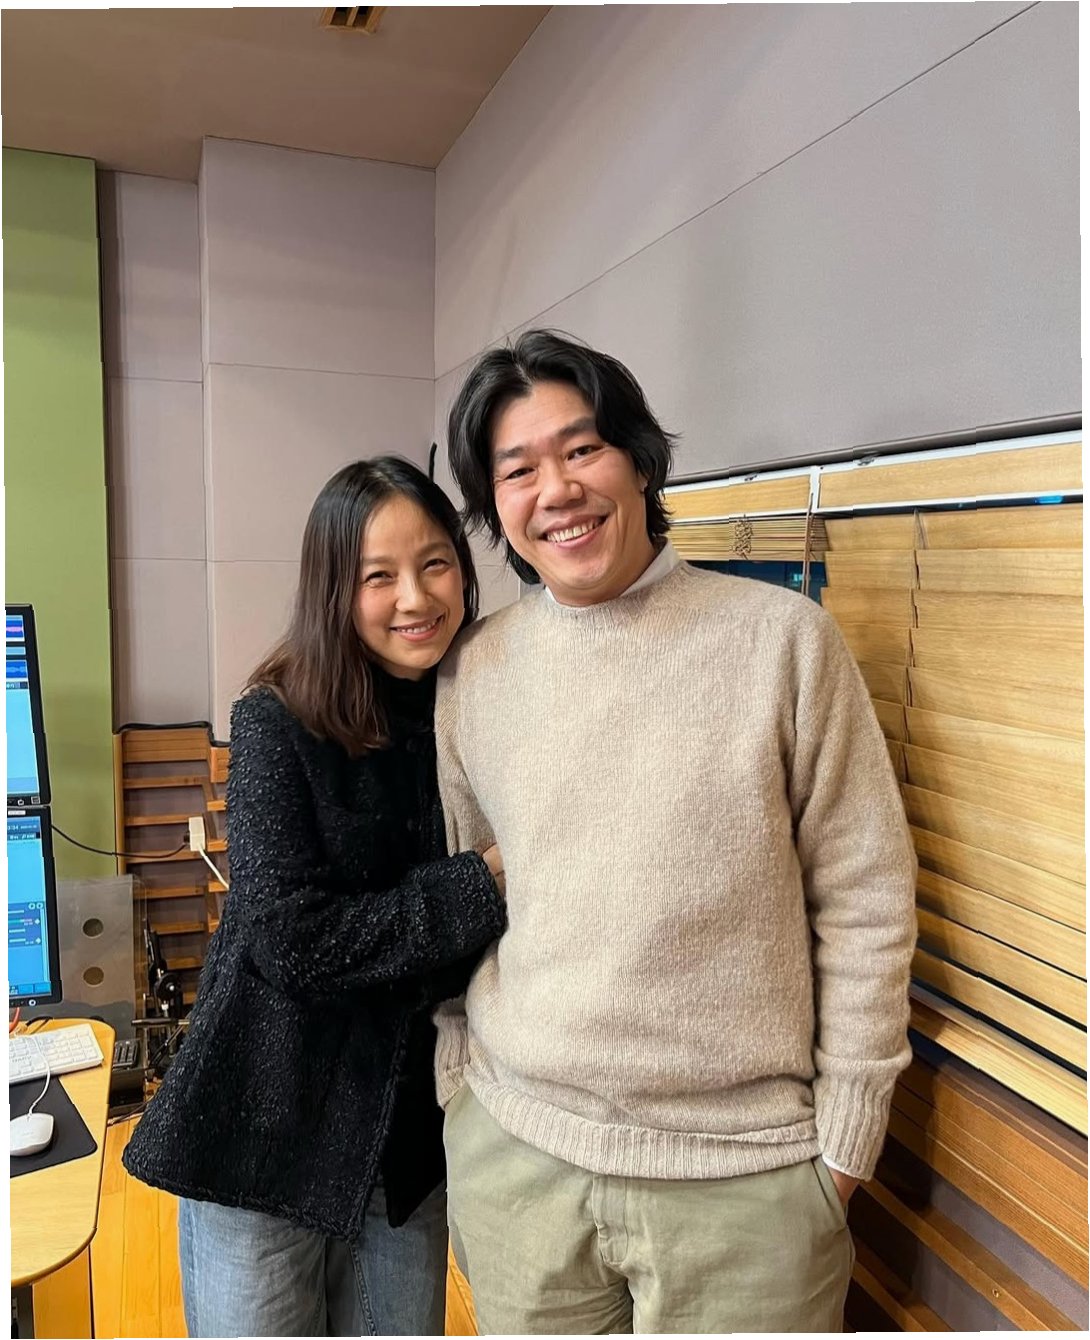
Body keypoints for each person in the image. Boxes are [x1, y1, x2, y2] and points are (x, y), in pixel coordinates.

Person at [433, 330, 917, 1334]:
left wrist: (844, 1144)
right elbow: (458, 887)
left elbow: (865, 894)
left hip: (746, 1181)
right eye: (518, 470)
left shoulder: (782, 641)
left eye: (582, 449)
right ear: (495, 507)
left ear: (641, 461)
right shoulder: (475, 670)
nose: (557, 489)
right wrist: (456, 1082)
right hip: (516, 1158)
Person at [123, 457, 507, 1338]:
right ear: (335, 589)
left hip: (402, 1141)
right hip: (264, 1123)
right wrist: (477, 884)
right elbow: (294, 937)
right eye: (379, 576)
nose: (415, 598)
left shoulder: (478, 705)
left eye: (436, 563)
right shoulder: (277, 718)